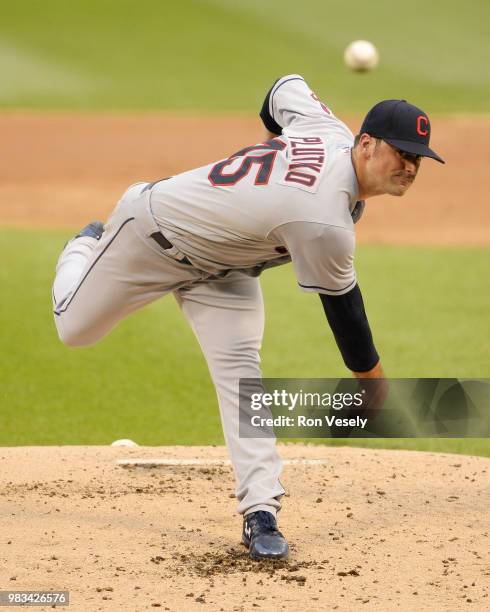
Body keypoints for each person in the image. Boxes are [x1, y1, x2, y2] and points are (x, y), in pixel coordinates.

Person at [52, 74, 444, 561]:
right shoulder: (323, 221)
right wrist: (372, 383)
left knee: (243, 379)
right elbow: (345, 310)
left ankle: (261, 513)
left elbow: (283, 88)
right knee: (75, 329)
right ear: (365, 144)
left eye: (418, 159)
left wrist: (275, 158)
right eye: (401, 153)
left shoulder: (328, 129)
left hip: (226, 270)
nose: (410, 167)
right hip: (151, 236)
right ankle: (84, 246)